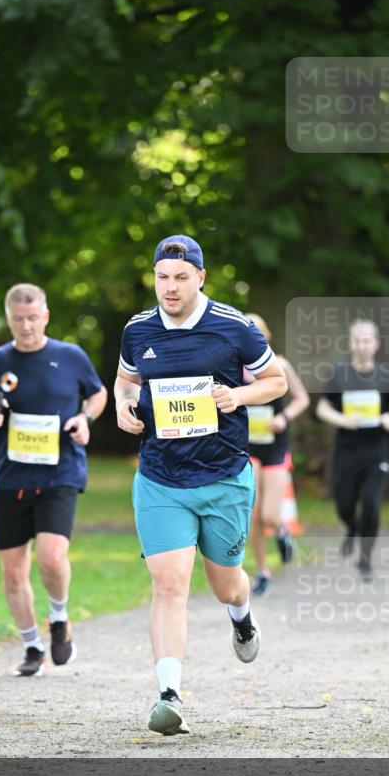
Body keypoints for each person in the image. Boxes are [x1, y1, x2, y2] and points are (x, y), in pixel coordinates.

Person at [115, 235, 287, 735]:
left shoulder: (234, 328)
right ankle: (169, 695)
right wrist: (126, 405)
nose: (170, 288)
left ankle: (243, 615)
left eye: (181, 278)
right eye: (162, 277)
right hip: (160, 477)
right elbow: (126, 381)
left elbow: (275, 381)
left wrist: (237, 395)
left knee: (225, 583)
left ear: (201, 278)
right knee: (169, 584)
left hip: (223, 476)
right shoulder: (138, 328)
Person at [0, 283, 107, 676]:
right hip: (12, 477)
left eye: (32, 319)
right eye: (18, 320)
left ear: (45, 316)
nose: (26, 327)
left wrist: (85, 419)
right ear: (9, 319)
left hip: (60, 473)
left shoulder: (70, 356)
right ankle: (32, 646)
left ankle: (59, 618)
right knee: (13, 571)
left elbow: (97, 395)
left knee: (50, 557)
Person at [316, 318, 389, 579]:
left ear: (375, 344)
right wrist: (343, 420)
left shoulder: (385, 375)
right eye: (358, 340)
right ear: (350, 343)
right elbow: (322, 408)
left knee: (371, 505)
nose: (362, 345)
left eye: (367, 340)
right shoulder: (339, 374)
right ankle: (351, 527)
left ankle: (365, 559)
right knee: (344, 504)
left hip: (375, 450)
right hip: (346, 450)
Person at [244, 314, 310, 595]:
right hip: (246, 447)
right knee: (253, 513)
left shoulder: (279, 364)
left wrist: (283, 417)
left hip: (275, 447)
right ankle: (262, 571)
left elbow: (302, 398)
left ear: (266, 336)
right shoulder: (233, 368)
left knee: (270, 516)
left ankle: (282, 532)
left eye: (256, 333)